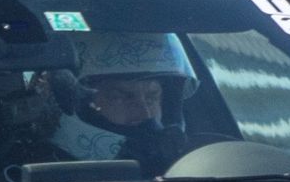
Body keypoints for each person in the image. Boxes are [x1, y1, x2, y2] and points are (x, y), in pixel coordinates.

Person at [40, 31, 195, 170]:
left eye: (152, 97)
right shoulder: (35, 176)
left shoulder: (190, 172)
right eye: (121, 97)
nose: (145, 114)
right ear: (71, 100)